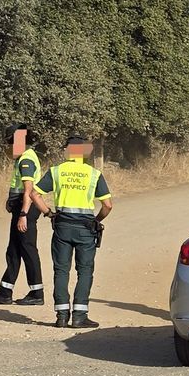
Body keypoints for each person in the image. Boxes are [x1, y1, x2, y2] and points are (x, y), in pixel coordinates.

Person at [31, 136, 113, 328]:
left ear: (67, 151)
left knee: (61, 270)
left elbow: (35, 194)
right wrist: (96, 221)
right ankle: (79, 316)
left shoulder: (56, 171)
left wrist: (49, 214)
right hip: (85, 228)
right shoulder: (93, 174)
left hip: (62, 226)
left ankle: (61, 316)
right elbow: (107, 205)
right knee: (84, 271)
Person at [0, 125, 46, 306]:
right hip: (20, 207)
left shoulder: (26, 160)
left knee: (28, 250)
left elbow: (28, 190)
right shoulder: (24, 157)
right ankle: (4, 292)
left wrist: (23, 214)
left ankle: (37, 293)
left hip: (25, 209)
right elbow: (18, 187)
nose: (9, 147)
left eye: (11, 143)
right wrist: (10, 200)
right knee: (13, 250)